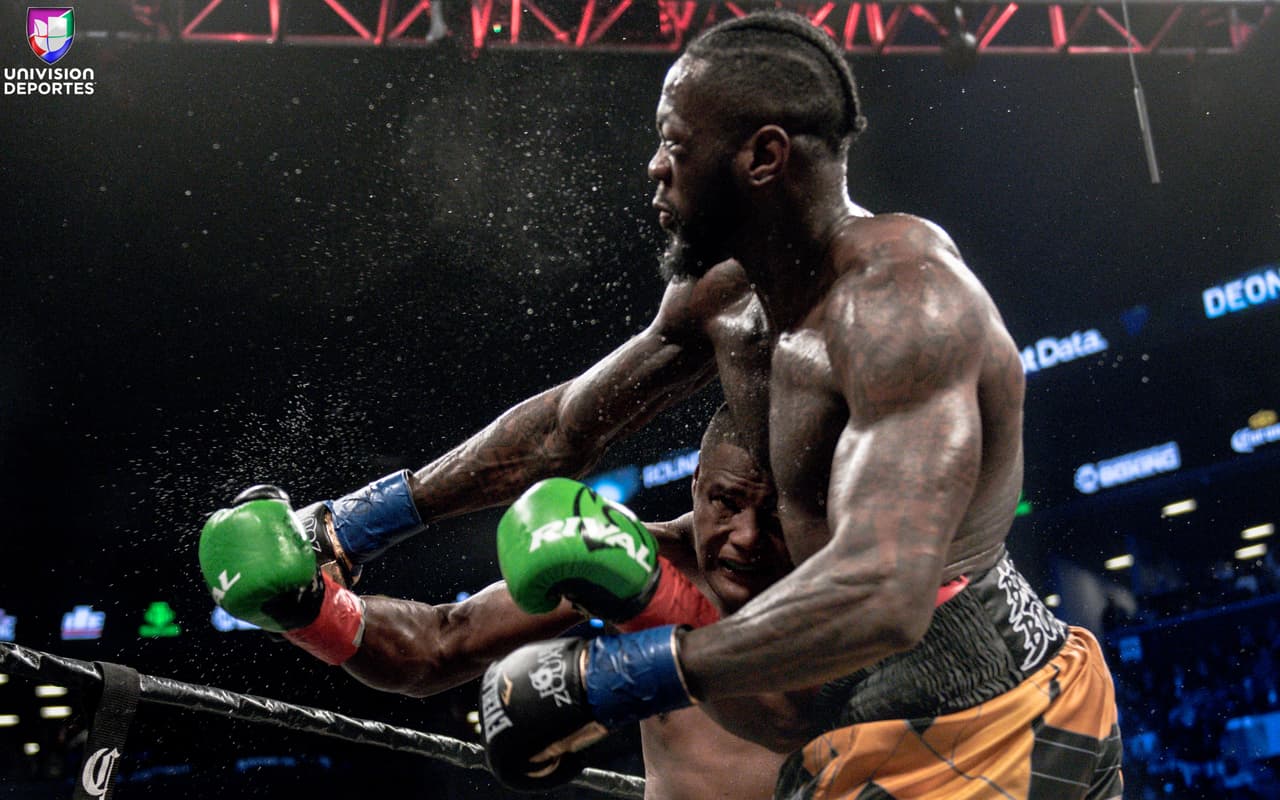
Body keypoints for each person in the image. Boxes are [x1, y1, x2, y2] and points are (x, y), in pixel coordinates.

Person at [205, 10, 1122, 799]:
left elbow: (887, 593)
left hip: (986, 702)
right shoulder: (726, 301)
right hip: (860, 718)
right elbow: (563, 430)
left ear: (764, 156)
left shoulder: (904, 311)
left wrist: (619, 677)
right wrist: (355, 526)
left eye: (677, 145)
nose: (654, 169)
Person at [201, 407, 792, 800]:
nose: (744, 534)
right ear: (696, 486)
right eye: (725, 501)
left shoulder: (859, 574)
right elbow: (441, 643)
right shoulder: (624, 555)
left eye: (773, 513)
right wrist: (311, 611)